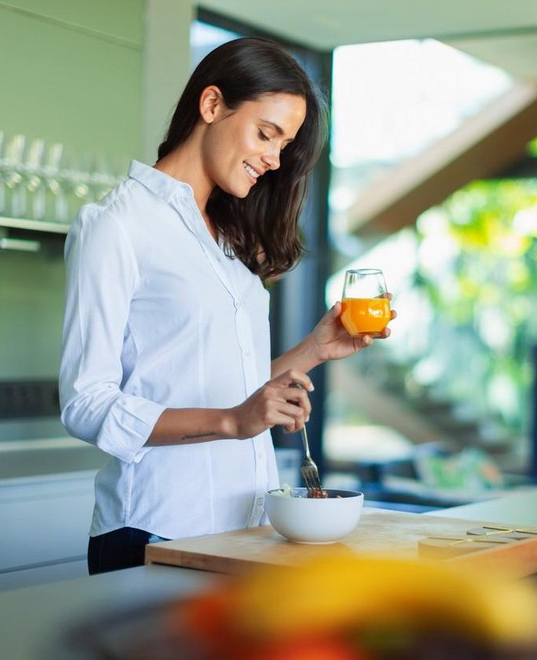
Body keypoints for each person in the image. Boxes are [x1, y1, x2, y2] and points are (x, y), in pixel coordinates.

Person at [59, 36, 394, 575]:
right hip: (155, 530)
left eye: (284, 145)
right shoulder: (116, 225)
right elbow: (86, 403)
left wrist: (313, 349)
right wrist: (234, 421)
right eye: (266, 134)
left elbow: (225, 388)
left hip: (245, 529)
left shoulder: (226, 239)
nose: (274, 159)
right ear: (212, 105)